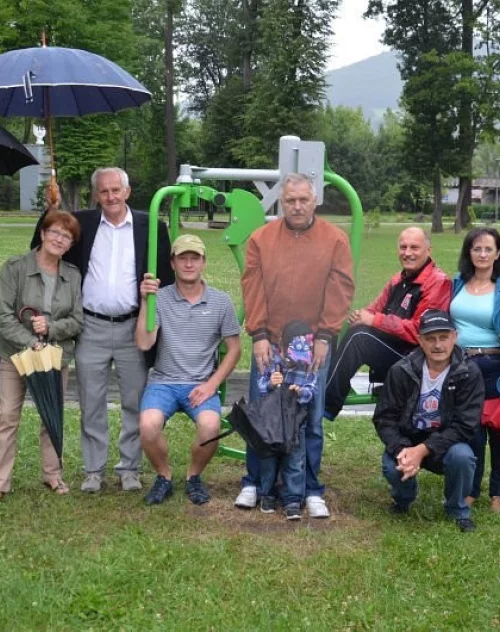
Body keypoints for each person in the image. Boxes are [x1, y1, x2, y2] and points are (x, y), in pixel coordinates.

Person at [33, 167, 173, 494]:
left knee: (134, 401)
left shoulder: (150, 225)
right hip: (91, 326)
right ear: (96, 195)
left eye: (115, 190)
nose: (110, 196)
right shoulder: (81, 223)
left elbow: (165, 276)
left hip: (132, 327)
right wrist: (49, 211)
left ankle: (129, 469)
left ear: (127, 191)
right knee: (91, 400)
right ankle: (93, 469)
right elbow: (45, 241)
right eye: (104, 191)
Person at [236, 173, 355, 519]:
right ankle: (255, 482)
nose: (297, 206)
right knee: (261, 414)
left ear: (314, 200)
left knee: (311, 416)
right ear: (281, 203)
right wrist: (258, 334)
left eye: (304, 200)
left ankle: (311, 487)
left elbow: (341, 289)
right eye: (291, 201)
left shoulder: (335, 240)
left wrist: (324, 336)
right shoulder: (261, 239)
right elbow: (252, 287)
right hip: (269, 342)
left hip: (312, 345)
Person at [0, 211, 83, 507]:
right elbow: (1, 315)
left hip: (54, 358)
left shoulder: (72, 275)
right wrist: (30, 342)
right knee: (8, 416)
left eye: (66, 236)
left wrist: (51, 328)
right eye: (55, 232)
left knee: (51, 415)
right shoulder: (16, 267)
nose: (59, 239)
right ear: (42, 233)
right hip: (15, 355)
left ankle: (52, 474)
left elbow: (78, 320)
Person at [134, 234, 241, 506]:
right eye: (183, 258)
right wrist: (146, 301)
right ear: (172, 263)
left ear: (204, 262)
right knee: (148, 426)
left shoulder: (220, 302)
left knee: (210, 427)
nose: (189, 264)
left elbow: (235, 349)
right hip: (164, 381)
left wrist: (211, 384)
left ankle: (194, 476)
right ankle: (164, 476)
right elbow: (144, 342)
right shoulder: (160, 298)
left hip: (201, 382)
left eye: (195, 258)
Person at [372, 310, 483, 532]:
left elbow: (466, 425)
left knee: (463, 456)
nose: (438, 345)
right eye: (430, 338)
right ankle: (403, 500)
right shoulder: (400, 371)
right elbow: (385, 418)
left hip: (447, 443)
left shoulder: (468, 373)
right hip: (408, 438)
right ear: (420, 341)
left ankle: (457, 509)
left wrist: (422, 450)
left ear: (455, 337)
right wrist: (404, 450)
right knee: (394, 466)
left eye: (443, 337)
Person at [324, 226, 451, 420]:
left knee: (360, 337)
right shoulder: (398, 280)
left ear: (428, 250)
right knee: (337, 327)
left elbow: (422, 331)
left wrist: (374, 320)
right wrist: (361, 315)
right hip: (396, 351)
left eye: (414, 248)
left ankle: (325, 403)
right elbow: (375, 308)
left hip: (416, 359)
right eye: (403, 247)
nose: (407, 253)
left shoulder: (437, 282)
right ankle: (322, 382)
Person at [450, 227, 500, 513]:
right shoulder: (456, 284)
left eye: (488, 249)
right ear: (468, 253)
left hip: (496, 367)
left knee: (499, 434)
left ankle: (499, 492)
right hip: (461, 367)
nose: (482, 254)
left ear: (498, 254)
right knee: (470, 430)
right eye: (476, 249)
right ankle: (471, 490)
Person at [256, 321, 319, 521]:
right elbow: (261, 385)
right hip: (271, 420)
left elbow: (312, 388)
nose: (296, 362)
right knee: (268, 458)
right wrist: (270, 384)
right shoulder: (272, 358)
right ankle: (267, 494)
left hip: (295, 420)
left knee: (295, 460)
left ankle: (292, 499)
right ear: (282, 347)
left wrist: (300, 392)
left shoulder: (309, 363)